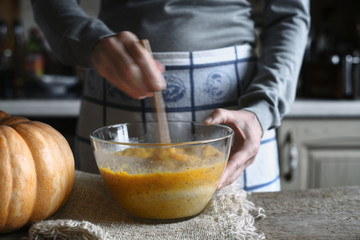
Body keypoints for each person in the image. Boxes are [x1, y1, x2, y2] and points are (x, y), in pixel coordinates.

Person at [31, 0, 310, 192]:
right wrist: (89, 40)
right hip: (115, 92)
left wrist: (262, 107)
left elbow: (290, 14)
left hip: (239, 112)